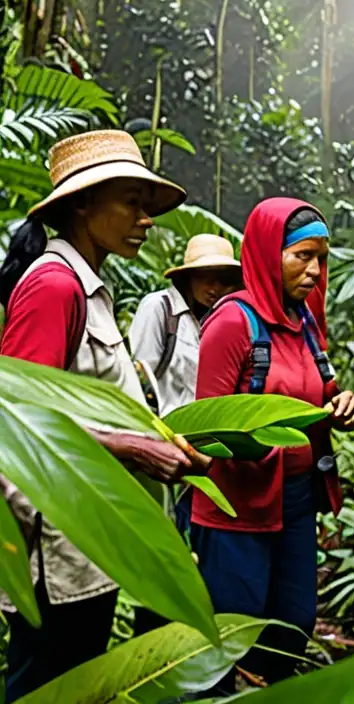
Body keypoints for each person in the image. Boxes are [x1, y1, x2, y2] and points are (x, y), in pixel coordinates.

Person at [0, 129, 206, 700]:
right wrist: (135, 448)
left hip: (88, 536)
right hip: (54, 544)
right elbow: (14, 423)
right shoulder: (53, 286)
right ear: (83, 204)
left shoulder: (86, 288)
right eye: (132, 203)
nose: (146, 220)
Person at [192, 198, 354, 692]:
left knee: (291, 627)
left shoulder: (306, 323)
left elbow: (322, 391)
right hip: (237, 511)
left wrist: (343, 402)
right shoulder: (232, 323)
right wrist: (265, 439)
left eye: (322, 259)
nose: (315, 271)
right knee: (225, 641)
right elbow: (205, 427)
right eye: (302, 256)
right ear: (269, 255)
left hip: (295, 503)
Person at [130, 234, 241, 417]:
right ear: (189, 276)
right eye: (206, 276)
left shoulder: (222, 319)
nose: (214, 287)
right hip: (163, 428)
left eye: (222, 279)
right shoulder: (160, 308)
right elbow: (141, 378)